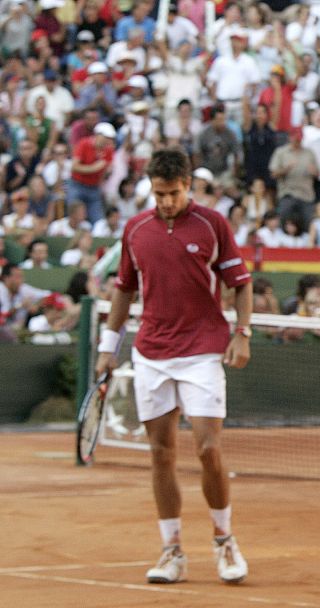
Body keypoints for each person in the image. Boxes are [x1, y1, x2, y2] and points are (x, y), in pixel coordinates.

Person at [94, 148, 252, 585]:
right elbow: (124, 291)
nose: (166, 201)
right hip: (151, 353)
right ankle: (172, 551)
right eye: (159, 193)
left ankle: (224, 540)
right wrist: (109, 347)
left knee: (207, 449)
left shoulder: (212, 224)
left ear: (189, 185)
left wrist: (243, 333)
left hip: (202, 350)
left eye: (174, 193)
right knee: (161, 454)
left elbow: (240, 284)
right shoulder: (134, 230)